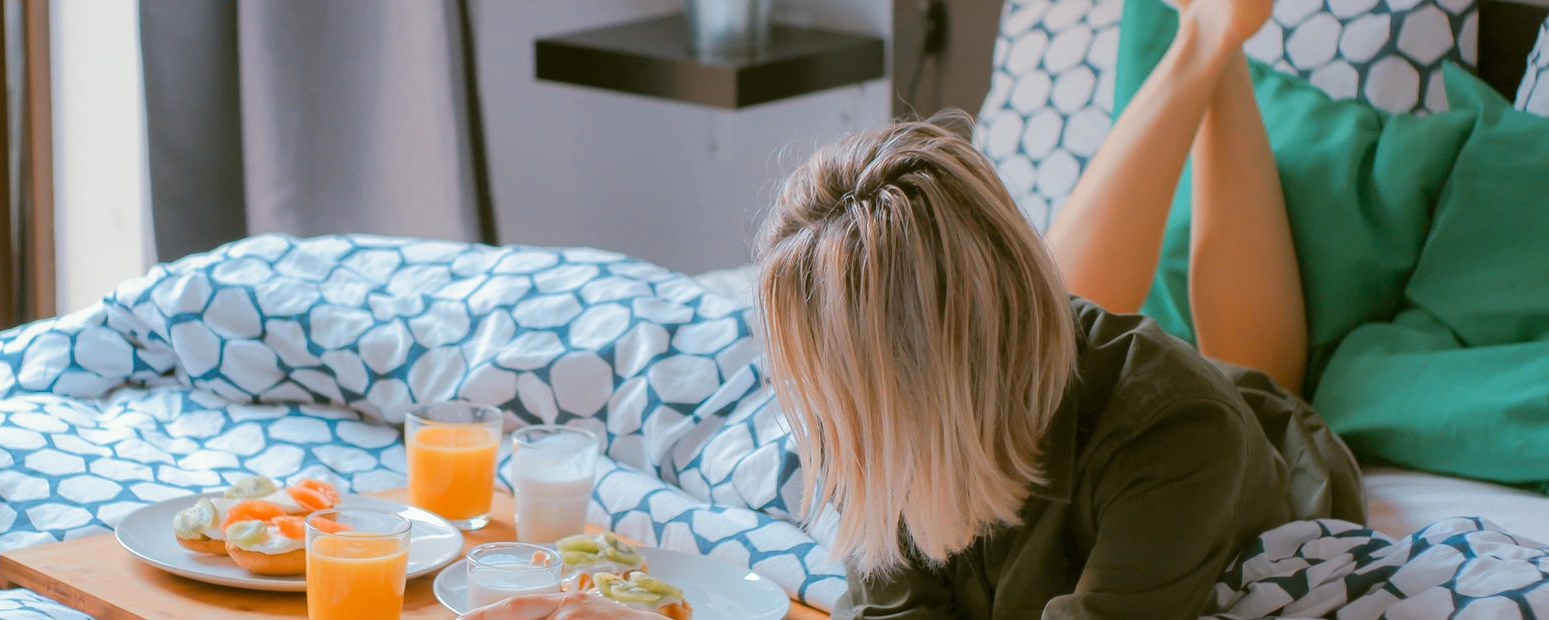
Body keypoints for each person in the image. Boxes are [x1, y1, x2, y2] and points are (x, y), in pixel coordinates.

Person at [462, 0, 1364, 616]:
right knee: (1066, 298)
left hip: (1245, 422)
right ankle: (1205, 44)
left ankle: (1212, 46)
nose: (811, 424)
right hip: (1014, 358)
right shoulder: (889, 423)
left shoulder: (1176, 442)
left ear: (917, 378)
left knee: (1249, 363)